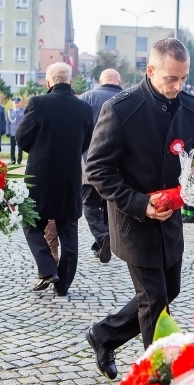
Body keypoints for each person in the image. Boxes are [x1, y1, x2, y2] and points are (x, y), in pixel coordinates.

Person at [85, 38, 194, 380]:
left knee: (170, 290)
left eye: (184, 78)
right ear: (150, 71)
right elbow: (97, 170)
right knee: (154, 300)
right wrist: (141, 204)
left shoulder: (191, 107)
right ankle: (157, 380)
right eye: (171, 78)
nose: (178, 86)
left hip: (171, 219)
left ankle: (104, 335)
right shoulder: (121, 109)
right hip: (133, 219)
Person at [17, 62, 93, 295]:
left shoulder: (38, 103)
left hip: (40, 176)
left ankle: (48, 268)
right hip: (69, 177)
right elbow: (86, 142)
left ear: (48, 82)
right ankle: (63, 285)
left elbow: (22, 138)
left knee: (30, 224)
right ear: (70, 81)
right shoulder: (84, 108)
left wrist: (39, 150)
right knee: (69, 233)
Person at [78, 68, 123, 262]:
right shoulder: (128, 98)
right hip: (119, 163)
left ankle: (103, 237)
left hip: (90, 161)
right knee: (109, 203)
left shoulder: (86, 98)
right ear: (119, 81)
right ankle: (102, 241)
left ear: (100, 80)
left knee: (89, 203)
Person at [6, 97, 25, 164]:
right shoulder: (10, 111)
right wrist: (7, 131)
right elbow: (7, 122)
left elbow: (25, 121)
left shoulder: (23, 111)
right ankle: (12, 160)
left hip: (20, 132)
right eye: (15, 103)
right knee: (12, 147)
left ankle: (19, 160)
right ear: (13, 103)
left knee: (20, 147)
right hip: (12, 132)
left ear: (19, 103)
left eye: (17, 103)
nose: (16, 104)